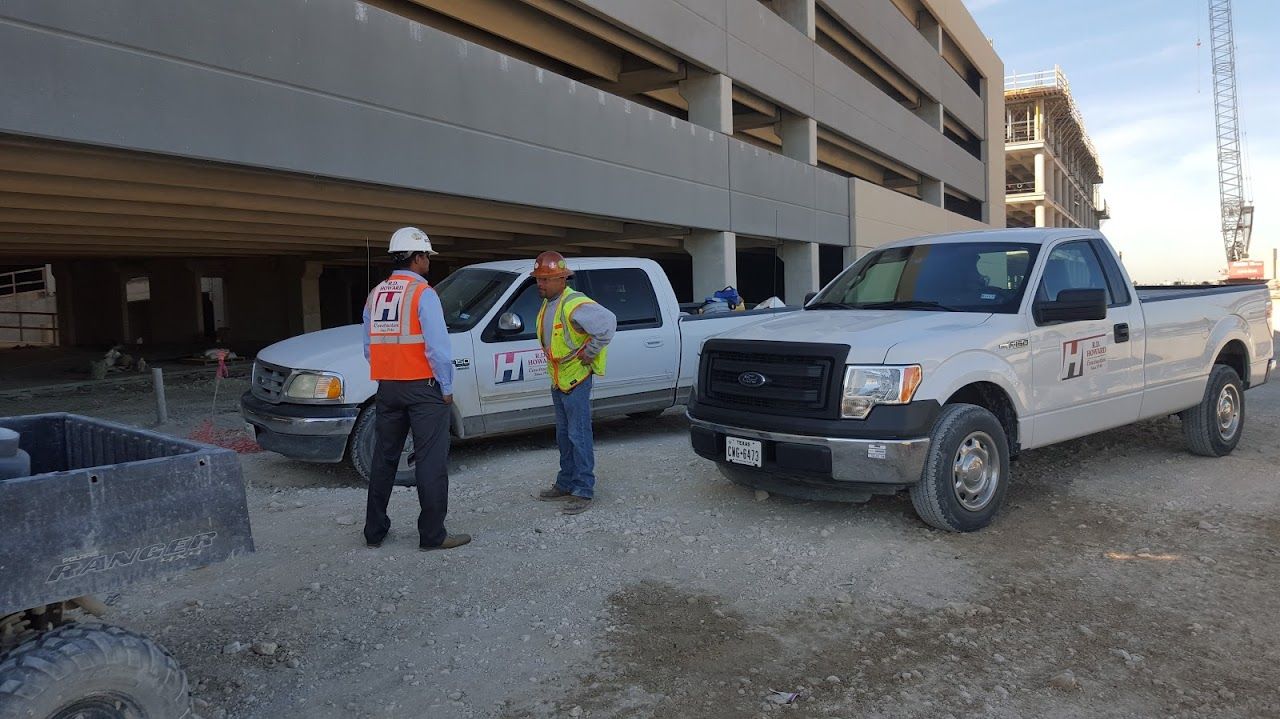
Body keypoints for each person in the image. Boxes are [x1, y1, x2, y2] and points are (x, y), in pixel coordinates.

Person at [362, 227, 470, 551]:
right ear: (418, 257)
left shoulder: (376, 293)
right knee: (430, 461)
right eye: (427, 258)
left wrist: (388, 372)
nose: (429, 264)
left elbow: (369, 346)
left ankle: (374, 531)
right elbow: (438, 348)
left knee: (384, 458)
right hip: (424, 389)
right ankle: (433, 535)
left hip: (387, 388)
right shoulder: (424, 294)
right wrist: (446, 387)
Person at [531, 251, 616, 515]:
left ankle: (583, 490)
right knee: (564, 436)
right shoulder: (551, 303)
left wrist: (589, 354)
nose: (540, 284)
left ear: (561, 279)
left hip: (575, 378)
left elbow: (608, 324)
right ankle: (566, 482)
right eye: (539, 279)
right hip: (560, 379)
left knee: (578, 435)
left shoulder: (574, 303)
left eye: (546, 279)